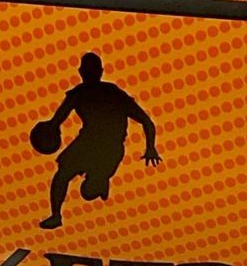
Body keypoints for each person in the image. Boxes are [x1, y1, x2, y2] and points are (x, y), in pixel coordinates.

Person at [33, 53, 161, 230]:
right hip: (87, 141)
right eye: (86, 70)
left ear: (100, 71)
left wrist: (150, 148)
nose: (89, 74)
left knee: (88, 192)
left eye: (92, 70)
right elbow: (57, 120)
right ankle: (56, 215)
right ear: (80, 72)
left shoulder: (113, 94)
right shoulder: (77, 94)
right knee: (62, 173)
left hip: (110, 148)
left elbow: (146, 121)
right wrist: (48, 131)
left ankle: (99, 180)